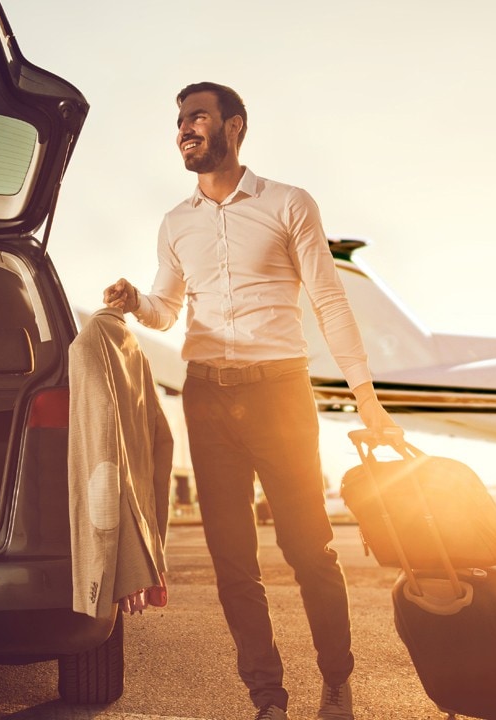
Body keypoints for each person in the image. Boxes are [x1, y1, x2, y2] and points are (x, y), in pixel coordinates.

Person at [102, 82, 402, 720]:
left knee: (309, 550)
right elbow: (167, 308)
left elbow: (329, 300)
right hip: (207, 397)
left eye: (198, 117)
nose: (185, 129)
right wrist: (134, 302)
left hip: (280, 392)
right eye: (180, 120)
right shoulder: (175, 222)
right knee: (232, 561)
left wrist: (366, 399)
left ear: (235, 127)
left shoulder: (288, 203)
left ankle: (337, 679)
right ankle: (267, 698)